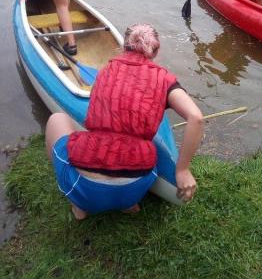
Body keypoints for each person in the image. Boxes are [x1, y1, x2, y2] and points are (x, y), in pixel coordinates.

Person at [45, 23, 204, 219]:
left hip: (84, 188)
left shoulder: (106, 71)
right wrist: (182, 170)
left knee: (56, 119)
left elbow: (91, 121)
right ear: (155, 51)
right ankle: (127, 205)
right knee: (145, 149)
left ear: (124, 47)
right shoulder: (165, 79)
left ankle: (79, 207)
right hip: (134, 189)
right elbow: (196, 118)